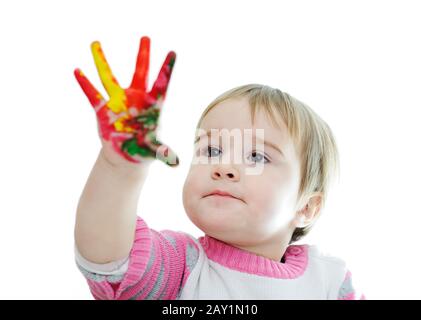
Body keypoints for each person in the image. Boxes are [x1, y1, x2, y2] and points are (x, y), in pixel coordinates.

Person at [73, 36, 364, 300]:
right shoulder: (180, 267)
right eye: (211, 151)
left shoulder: (329, 283)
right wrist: (120, 168)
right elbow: (108, 260)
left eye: (257, 157)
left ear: (307, 208)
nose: (224, 167)